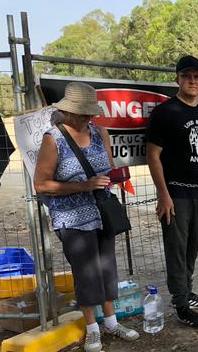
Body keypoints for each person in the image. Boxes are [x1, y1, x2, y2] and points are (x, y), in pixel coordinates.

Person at [34, 82, 139, 352]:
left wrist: (113, 177)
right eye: (82, 113)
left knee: (107, 268)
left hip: (102, 212)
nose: (87, 118)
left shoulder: (99, 132)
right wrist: (83, 185)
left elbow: (109, 165)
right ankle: (93, 329)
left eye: (90, 113)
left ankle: (112, 323)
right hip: (71, 217)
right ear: (68, 112)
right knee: (86, 273)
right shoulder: (52, 139)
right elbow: (41, 184)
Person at [146, 55, 198, 328]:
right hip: (175, 193)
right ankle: (181, 305)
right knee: (176, 249)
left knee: (192, 246)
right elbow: (153, 155)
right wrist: (163, 194)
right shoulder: (165, 112)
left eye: (197, 76)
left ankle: (186, 292)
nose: (192, 81)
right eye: (187, 76)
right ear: (177, 79)